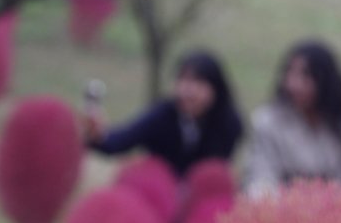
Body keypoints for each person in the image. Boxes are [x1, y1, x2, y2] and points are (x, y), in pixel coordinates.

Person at [82, 50, 244, 176]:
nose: (188, 90)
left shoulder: (229, 124)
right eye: (184, 80)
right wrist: (97, 135)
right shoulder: (163, 115)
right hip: (160, 196)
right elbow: (122, 140)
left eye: (198, 82)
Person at [244, 40, 341, 197]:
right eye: (290, 73)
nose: (294, 84)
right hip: (282, 207)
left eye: (306, 76)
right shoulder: (268, 122)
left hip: (334, 208)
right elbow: (261, 176)